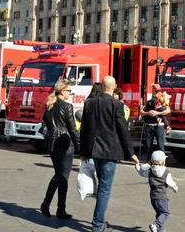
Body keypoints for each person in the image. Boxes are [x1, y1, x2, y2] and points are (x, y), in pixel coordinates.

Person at [80, 76, 140, 232]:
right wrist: (131, 153)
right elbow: (122, 130)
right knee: (105, 188)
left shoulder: (89, 103)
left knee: (102, 187)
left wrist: (84, 151)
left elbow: (84, 128)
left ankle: (99, 222)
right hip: (110, 151)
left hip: (94, 150)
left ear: (101, 86)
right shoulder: (116, 104)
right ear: (114, 87)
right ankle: (98, 225)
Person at [40, 79, 80, 220]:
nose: (70, 93)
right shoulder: (66, 106)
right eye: (69, 91)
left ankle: (46, 204)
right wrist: (80, 148)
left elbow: (45, 125)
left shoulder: (49, 104)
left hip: (52, 143)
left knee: (58, 175)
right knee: (63, 177)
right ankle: (60, 210)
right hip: (64, 143)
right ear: (62, 91)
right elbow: (73, 129)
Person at [135, 150, 179, 232]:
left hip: (153, 197)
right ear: (163, 162)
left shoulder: (150, 171)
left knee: (159, 213)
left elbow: (141, 172)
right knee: (165, 213)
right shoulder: (166, 173)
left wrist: (137, 166)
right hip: (162, 197)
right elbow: (171, 183)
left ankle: (160, 229)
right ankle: (155, 225)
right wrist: (175, 189)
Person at [141, 84, 171, 161]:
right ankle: (149, 161)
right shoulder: (150, 101)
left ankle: (161, 162)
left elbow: (168, 110)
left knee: (160, 145)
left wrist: (157, 113)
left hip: (159, 127)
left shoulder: (162, 99)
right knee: (148, 146)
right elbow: (141, 111)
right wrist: (148, 113)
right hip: (149, 126)